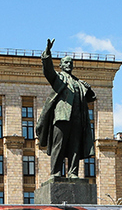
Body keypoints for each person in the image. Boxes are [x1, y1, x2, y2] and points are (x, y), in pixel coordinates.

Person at [35, 38, 96, 179]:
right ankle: (55, 172)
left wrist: (88, 88)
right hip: (62, 117)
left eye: (70, 63)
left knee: (75, 146)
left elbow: (91, 97)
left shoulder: (78, 82)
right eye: (66, 62)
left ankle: (73, 172)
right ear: (61, 65)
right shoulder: (59, 79)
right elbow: (48, 71)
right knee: (59, 145)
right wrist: (47, 54)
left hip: (77, 118)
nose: (69, 65)